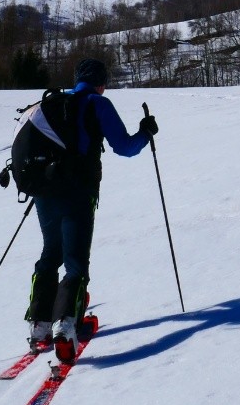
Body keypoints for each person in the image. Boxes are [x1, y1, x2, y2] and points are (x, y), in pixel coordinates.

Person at [25, 58, 157, 363]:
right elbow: (123, 146)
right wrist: (145, 133)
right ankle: (65, 326)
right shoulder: (98, 104)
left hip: (45, 191)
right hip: (79, 193)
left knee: (51, 252)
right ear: (101, 82)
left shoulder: (54, 104)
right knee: (75, 261)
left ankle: (39, 324)